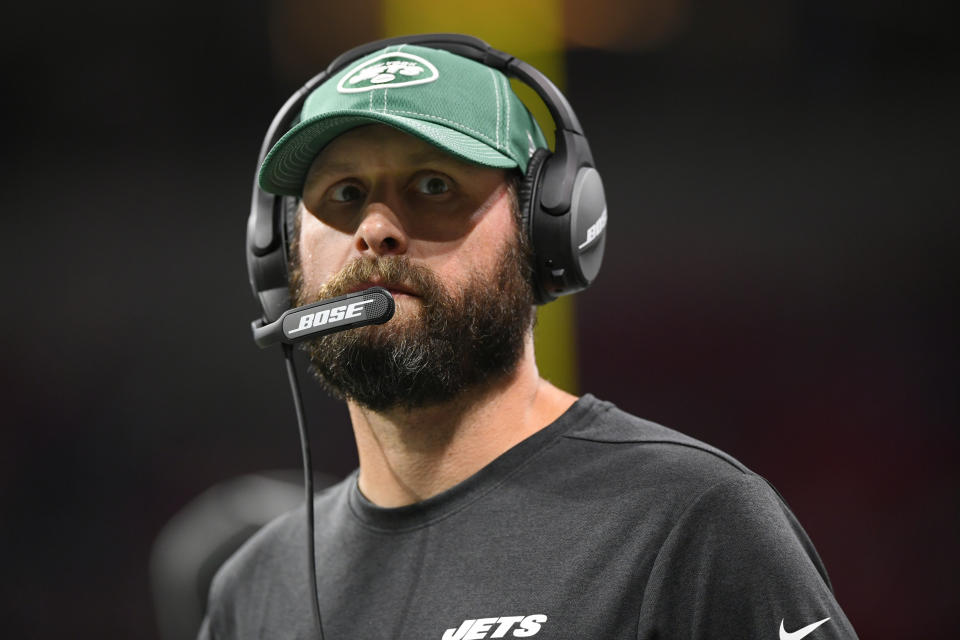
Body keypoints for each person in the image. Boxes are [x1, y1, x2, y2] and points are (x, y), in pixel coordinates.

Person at [200, 39, 858, 640]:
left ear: (546, 229)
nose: (375, 227)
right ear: (278, 261)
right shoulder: (254, 589)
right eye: (343, 193)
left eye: (433, 184)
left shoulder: (690, 523)